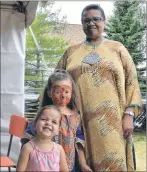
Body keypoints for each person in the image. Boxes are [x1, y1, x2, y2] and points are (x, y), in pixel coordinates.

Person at [55, 4, 142, 172]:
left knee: (113, 163)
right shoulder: (71, 51)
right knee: (80, 163)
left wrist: (129, 114)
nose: (91, 23)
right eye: (86, 20)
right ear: (81, 23)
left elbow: (132, 81)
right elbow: (56, 81)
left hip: (112, 122)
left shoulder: (117, 48)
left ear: (104, 21)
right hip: (78, 121)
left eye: (96, 19)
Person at [21, 69, 92, 172]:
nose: (63, 95)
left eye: (67, 91)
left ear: (72, 93)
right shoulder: (45, 114)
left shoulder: (76, 117)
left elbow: (79, 143)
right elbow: (28, 138)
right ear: (49, 93)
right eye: (58, 91)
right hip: (44, 165)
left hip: (69, 167)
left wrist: (83, 164)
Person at [16, 105, 68, 171]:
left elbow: (64, 170)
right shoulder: (28, 148)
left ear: (59, 130)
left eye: (54, 122)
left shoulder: (59, 149)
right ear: (35, 124)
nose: (48, 123)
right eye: (43, 119)